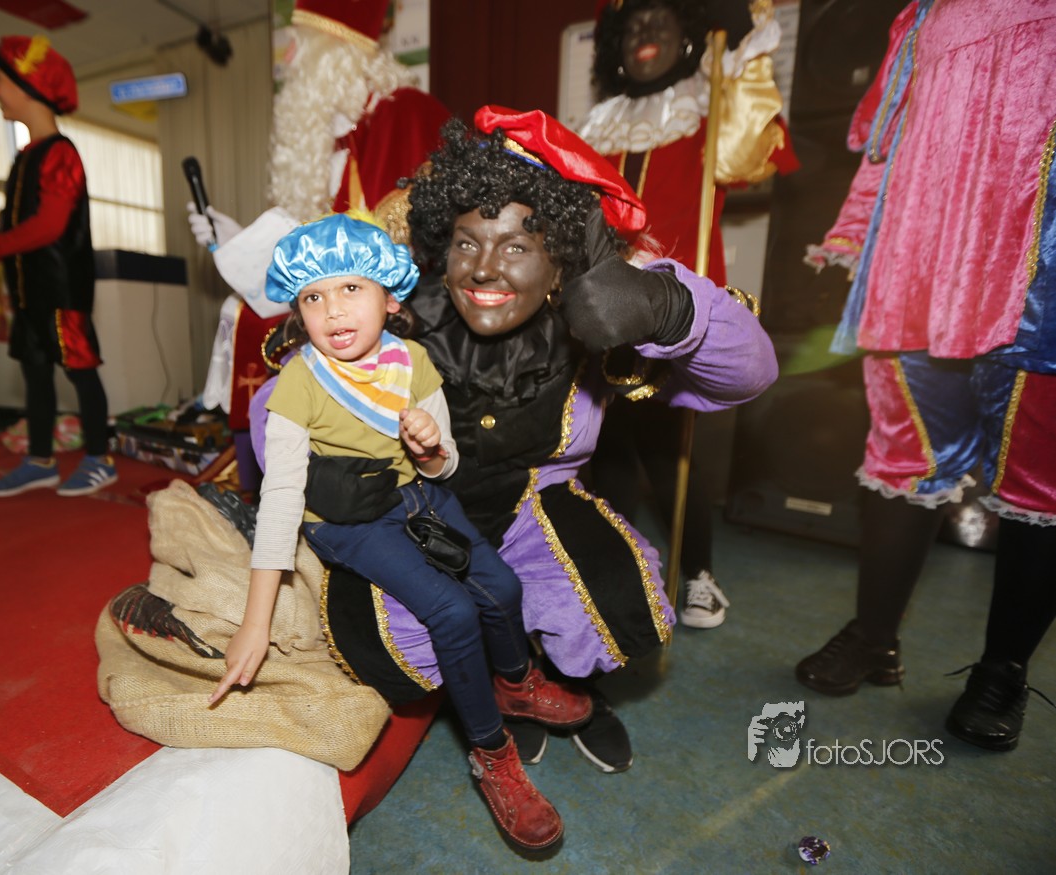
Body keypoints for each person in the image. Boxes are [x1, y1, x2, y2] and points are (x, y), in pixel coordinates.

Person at [288, 107, 778, 774]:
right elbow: (282, 398)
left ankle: (556, 677)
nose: (485, 269)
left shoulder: (596, 308)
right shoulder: (391, 309)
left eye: (517, 247)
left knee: (612, 599)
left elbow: (748, 377)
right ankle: (497, 682)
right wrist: (313, 465)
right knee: (384, 641)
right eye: (466, 244)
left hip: (533, 502)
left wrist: (666, 306)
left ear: (559, 260)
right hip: (414, 506)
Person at [216, 211, 593, 852]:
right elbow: (279, 499)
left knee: (501, 587)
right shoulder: (300, 380)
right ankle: (492, 755)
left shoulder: (411, 360)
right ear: (298, 311)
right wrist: (256, 621)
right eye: (313, 297)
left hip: (417, 494)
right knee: (451, 610)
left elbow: (446, 463)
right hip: (347, 520)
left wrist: (429, 448)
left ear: (390, 299)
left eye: (351, 288)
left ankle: (515, 684)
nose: (334, 310)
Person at [797, 0, 1056, 753]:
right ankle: (873, 636)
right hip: (917, 270)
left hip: (1035, 277)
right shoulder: (921, 13)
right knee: (901, 455)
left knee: (1038, 481)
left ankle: (1001, 673)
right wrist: (853, 233)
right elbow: (884, 143)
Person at [580, 0, 798, 629]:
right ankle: (618, 566)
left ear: (688, 40)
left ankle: (699, 574)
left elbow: (748, 156)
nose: (644, 35)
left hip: (676, 305)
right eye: (631, 27)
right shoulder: (600, 124)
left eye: (659, 23)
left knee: (671, 450)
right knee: (608, 445)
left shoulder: (706, 109)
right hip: (606, 300)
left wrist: (741, 57)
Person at [187, 0, 449, 494]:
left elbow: (414, 239)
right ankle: (264, 481)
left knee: (255, 323)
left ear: (336, 51)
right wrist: (238, 239)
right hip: (335, 295)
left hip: (397, 302)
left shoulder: (404, 114)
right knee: (240, 312)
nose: (287, 59)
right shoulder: (329, 139)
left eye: (298, 45)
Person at [0, 35, 116, 498]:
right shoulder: (25, 156)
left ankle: (100, 458)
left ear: (29, 86)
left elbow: (48, 227)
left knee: (80, 371)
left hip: (62, 291)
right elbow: (19, 227)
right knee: (36, 372)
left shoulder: (61, 152)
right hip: (29, 292)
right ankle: (39, 460)